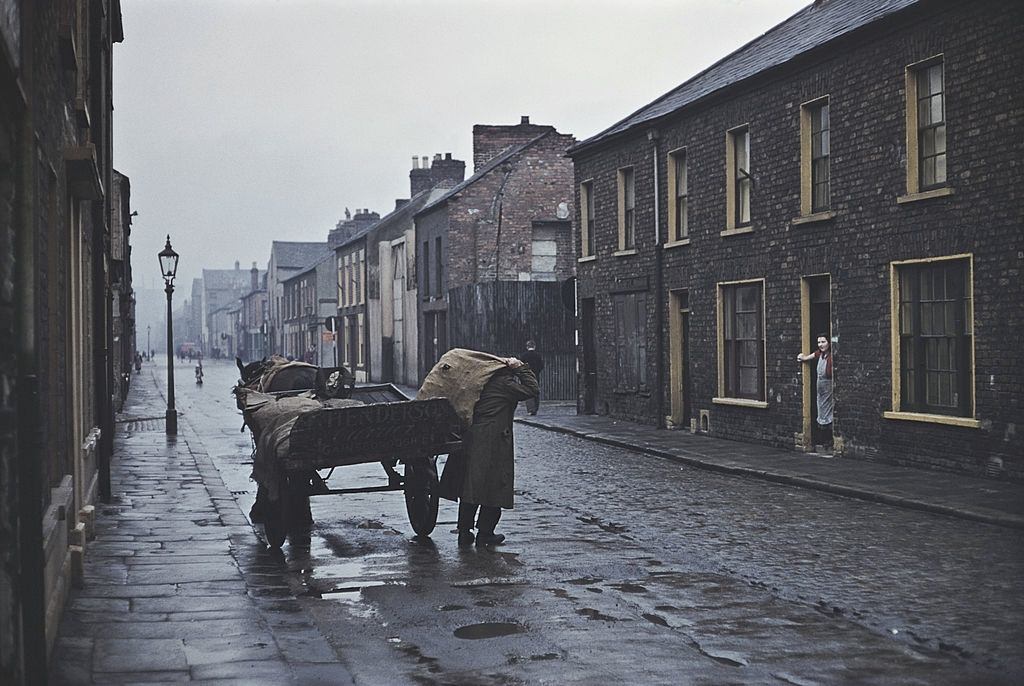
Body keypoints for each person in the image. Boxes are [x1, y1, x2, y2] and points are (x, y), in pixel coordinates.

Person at [438, 356, 538, 547]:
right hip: (493, 442)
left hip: (471, 439)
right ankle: (486, 533)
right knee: (495, 487)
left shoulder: (477, 383)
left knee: (471, 487)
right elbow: (532, 389)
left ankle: (465, 532)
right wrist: (521, 367)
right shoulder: (504, 385)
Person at [797, 334, 834, 450]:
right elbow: (812, 356)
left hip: (828, 389)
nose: (821, 345)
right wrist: (803, 357)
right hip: (820, 390)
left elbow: (830, 374)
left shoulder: (831, 357)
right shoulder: (820, 354)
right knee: (821, 412)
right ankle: (824, 441)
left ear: (829, 343)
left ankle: (829, 441)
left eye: (823, 342)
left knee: (828, 414)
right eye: (819, 342)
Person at [519, 340, 544, 416]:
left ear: (527, 347)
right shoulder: (538, 355)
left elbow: (520, 366)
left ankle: (530, 409)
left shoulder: (523, 356)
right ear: (534, 346)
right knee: (535, 392)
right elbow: (541, 366)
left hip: (526, 377)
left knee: (528, 392)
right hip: (535, 376)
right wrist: (537, 371)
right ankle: (536, 409)